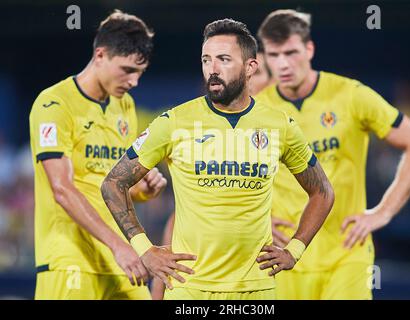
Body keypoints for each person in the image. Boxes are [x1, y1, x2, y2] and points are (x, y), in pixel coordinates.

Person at [101, 18, 334, 300]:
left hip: (255, 291)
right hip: (190, 289)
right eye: (206, 59)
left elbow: (322, 192)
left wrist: (294, 251)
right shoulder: (174, 122)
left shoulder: (280, 125)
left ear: (251, 67)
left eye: (223, 59)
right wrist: (146, 250)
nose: (212, 68)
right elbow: (114, 183)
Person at [256, 9, 410, 299]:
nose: (283, 64)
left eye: (291, 52)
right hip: (284, 257)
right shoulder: (256, 111)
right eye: (274, 56)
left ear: (309, 49)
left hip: (346, 255)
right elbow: (231, 175)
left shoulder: (351, 95)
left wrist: (383, 212)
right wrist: (258, 220)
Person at [29, 10, 167, 300]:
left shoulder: (124, 106)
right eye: (127, 70)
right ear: (100, 55)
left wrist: (145, 189)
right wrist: (118, 246)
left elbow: (116, 183)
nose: (134, 82)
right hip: (71, 261)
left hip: (122, 262)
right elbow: (62, 189)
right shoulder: (54, 104)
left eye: (139, 73)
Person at [150, 35, 277, 301]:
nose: (264, 80)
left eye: (267, 74)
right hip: (208, 280)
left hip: (275, 270)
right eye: (207, 61)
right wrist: (160, 288)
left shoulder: (285, 130)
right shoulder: (197, 127)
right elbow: (182, 215)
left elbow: (320, 192)